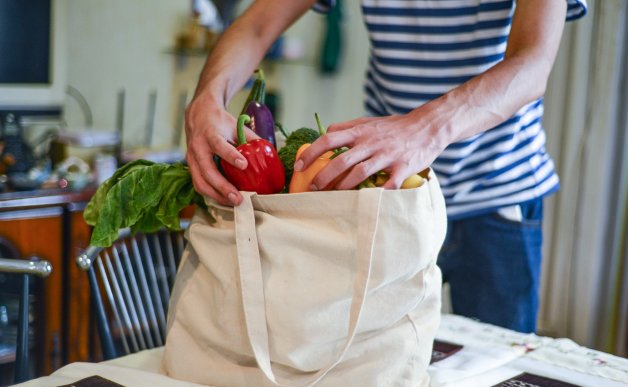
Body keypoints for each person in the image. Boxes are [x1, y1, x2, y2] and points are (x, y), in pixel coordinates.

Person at [184, 0, 588, 333]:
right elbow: (257, 27)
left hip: (498, 194)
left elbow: (533, 62)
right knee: (368, 370)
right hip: (386, 197)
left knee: (497, 386)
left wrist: (423, 130)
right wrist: (207, 97)